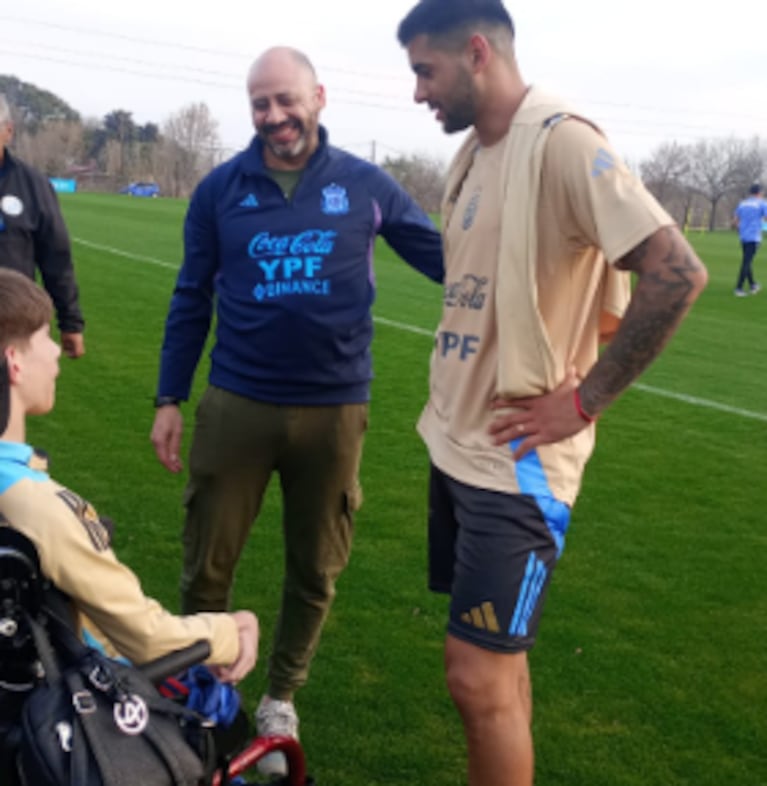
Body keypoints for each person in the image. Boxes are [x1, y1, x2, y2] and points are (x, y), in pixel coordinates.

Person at [396, 2, 708, 785]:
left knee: (473, 676)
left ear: (475, 53)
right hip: (459, 444)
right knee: (500, 670)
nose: (417, 93)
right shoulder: (472, 155)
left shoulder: (563, 141)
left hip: (518, 468)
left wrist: (582, 401)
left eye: (423, 71)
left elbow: (676, 273)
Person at [150, 46, 443, 775]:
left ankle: (281, 693)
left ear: (318, 96)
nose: (274, 116)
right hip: (235, 403)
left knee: (315, 565)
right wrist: (169, 398)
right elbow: (191, 297)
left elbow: (447, 259)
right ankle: (202, 684)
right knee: (206, 560)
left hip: (335, 410)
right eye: (260, 104)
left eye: (286, 99)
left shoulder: (365, 184)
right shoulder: (220, 189)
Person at [0, 267, 259, 687]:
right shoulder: (34, 503)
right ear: (14, 362)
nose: (54, 353)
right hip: (81, 701)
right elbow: (148, 639)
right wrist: (234, 629)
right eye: (44, 338)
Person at [0, 95, 85, 359]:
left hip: (11, 328)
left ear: (8, 131)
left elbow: (56, 257)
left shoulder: (32, 185)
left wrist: (70, 322)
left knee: (10, 399)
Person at [732, 183, 766, 296]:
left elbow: (735, 220)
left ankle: (752, 284)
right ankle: (739, 288)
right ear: (759, 193)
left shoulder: (743, 203)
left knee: (747, 260)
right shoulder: (762, 203)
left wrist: (739, 229)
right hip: (754, 236)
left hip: (744, 235)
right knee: (746, 261)